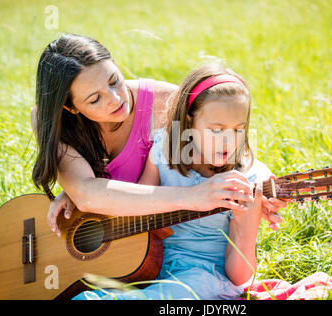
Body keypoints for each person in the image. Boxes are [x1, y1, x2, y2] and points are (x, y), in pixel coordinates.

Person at [31, 33, 283, 237]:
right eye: (95, 99)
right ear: (70, 107)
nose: (116, 98)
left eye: (114, 80)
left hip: (170, 242)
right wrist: (74, 186)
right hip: (115, 244)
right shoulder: (54, 124)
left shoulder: (164, 104)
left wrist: (259, 182)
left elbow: (227, 145)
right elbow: (87, 195)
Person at [72, 62, 287, 300]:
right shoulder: (166, 147)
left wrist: (245, 226)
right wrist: (82, 194)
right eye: (216, 130)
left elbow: (239, 277)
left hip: (205, 277)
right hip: (149, 265)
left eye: (238, 129)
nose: (228, 141)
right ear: (190, 121)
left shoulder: (250, 179)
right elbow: (136, 205)